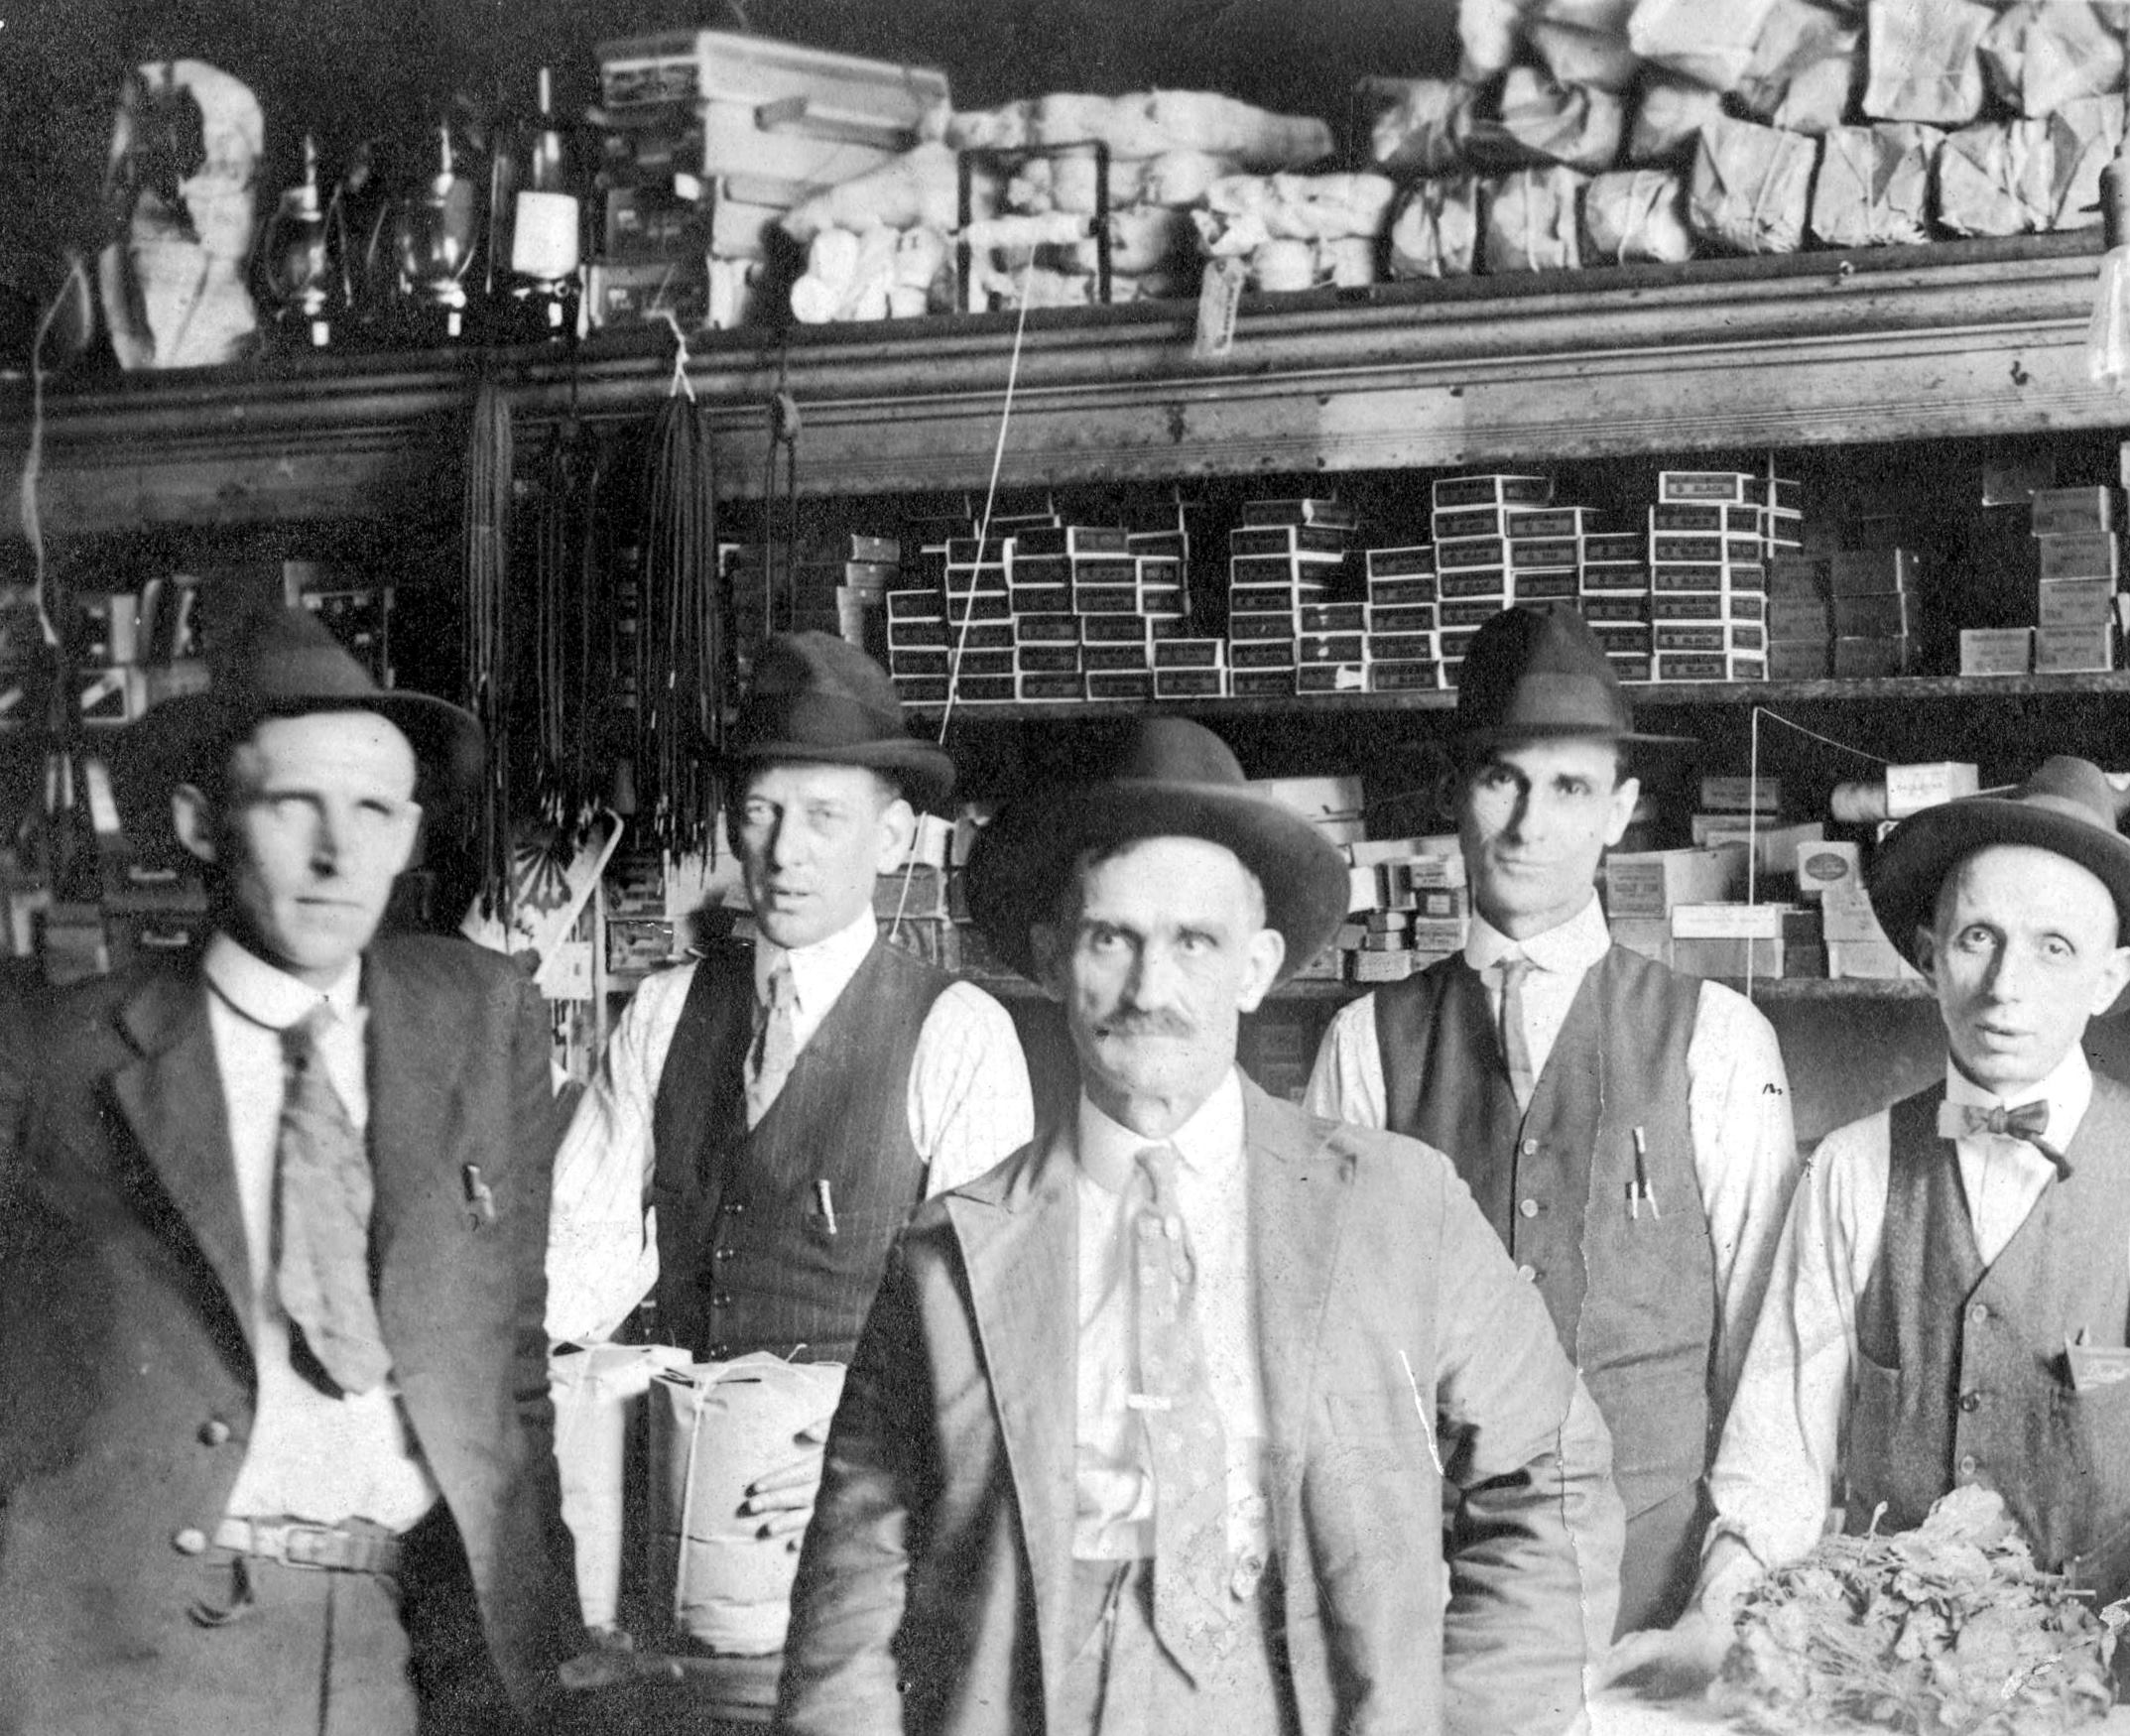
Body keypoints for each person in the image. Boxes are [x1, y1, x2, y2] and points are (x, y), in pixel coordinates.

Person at [777, 716, 1622, 1736]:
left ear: (1256, 966)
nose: (1152, 990)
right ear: (1051, 958)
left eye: (1195, 942)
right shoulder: (947, 1256)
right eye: (1111, 938)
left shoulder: (1402, 1206)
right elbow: (849, 1603)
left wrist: (1463, 1722)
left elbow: (1551, 1477)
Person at [1626, 756, 2130, 1736]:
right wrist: (1713, 1618)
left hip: (2120, 1704)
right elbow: (1777, 1462)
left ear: (2110, 977)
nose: (2004, 987)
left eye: (2054, 948)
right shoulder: (1852, 1167)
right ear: (1927, 952)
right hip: (1891, 1699)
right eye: (1978, 938)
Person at [0, 605, 581, 1734]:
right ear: (200, 824)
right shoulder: (58, 1056)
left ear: (410, 834)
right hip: (130, 1661)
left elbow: (514, 1367)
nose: (336, 855)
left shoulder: (481, 1018)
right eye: (291, 805)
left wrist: (538, 1648)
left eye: (373, 811)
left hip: (394, 1649)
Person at [1305, 602, 1803, 1635]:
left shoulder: (1718, 1037)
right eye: (1503, 779)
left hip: (1659, 1597)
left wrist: (1726, 1598)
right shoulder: (1365, 1043)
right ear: (1457, 795)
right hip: (1440, 1601)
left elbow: (1770, 1358)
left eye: (1569, 787)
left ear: (1620, 809)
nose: (1530, 826)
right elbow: (1329, 1353)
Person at [546, 630, 1032, 1543]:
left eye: (824, 817)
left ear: (892, 837)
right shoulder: (663, 1011)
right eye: (761, 812)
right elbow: (577, 1260)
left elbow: (995, 1338)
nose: (785, 852)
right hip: (682, 1486)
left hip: (863, 1504)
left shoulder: (960, 1034)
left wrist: (880, 1456)